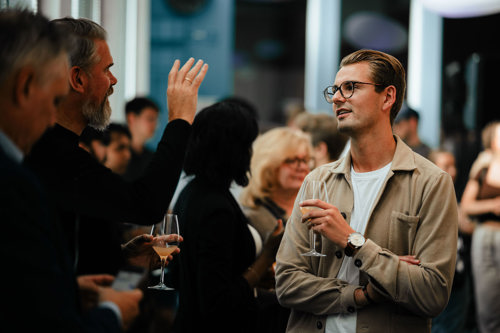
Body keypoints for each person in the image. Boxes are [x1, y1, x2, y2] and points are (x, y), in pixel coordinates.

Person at [275, 49, 458, 333]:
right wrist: (363, 294)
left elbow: (432, 294)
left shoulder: (431, 183)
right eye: (335, 89)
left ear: (387, 97)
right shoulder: (317, 180)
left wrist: (353, 241)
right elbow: (286, 284)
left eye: (350, 88)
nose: (336, 98)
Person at [24, 17, 208, 271]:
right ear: (78, 79)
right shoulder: (54, 155)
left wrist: (119, 256)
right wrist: (179, 121)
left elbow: (62, 246)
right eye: (106, 70)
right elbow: (147, 205)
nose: (113, 80)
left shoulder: (57, 149)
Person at [0, 9, 142, 332]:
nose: (52, 120)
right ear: (24, 87)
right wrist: (112, 314)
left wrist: (69, 289)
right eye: (52, 102)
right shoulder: (13, 184)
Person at [171, 101, 284, 333]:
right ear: (234, 149)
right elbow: (218, 302)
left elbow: (192, 275)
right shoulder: (216, 207)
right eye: (248, 145)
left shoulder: (192, 191)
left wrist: (253, 277)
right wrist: (267, 256)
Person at [239, 126, 312, 332]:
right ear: (268, 165)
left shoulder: (313, 210)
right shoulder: (250, 217)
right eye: (291, 160)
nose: (301, 167)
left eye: (305, 160)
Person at [428, 149, 477, 333]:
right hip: (440, 276)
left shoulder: (451, 192)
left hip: (458, 273)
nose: (453, 171)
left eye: (453, 165)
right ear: (432, 167)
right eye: (446, 166)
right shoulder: (431, 195)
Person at [461, 121, 500, 333]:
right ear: (493, 142)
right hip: (484, 235)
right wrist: (493, 205)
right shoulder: (483, 168)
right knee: (486, 304)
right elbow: (467, 205)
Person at [123, 97, 159, 181]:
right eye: (150, 119)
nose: (155, 125)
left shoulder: (152, 158)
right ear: (131, 118)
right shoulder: (115, 154)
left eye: (156, 120)